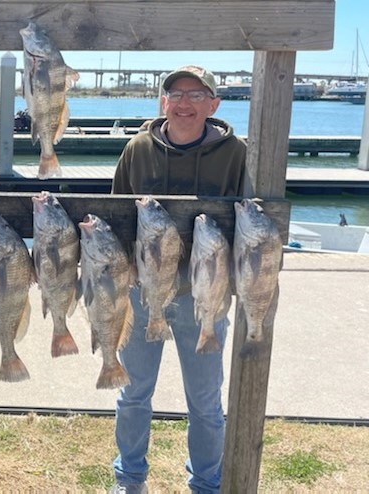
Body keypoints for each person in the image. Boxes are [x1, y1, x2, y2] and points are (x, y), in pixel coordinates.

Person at [110, 65, 246, 493]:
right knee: (133, 394)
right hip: (143, 290)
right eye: (176, 94)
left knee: (205, 403)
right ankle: (129, 479)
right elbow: (117, 215)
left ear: (213, 104)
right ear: (163, 101)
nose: (184, 103)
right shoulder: (137, 149)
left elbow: (251, 219)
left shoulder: (236, 153)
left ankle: (206, 484)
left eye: (195, 94)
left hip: (202, 295)